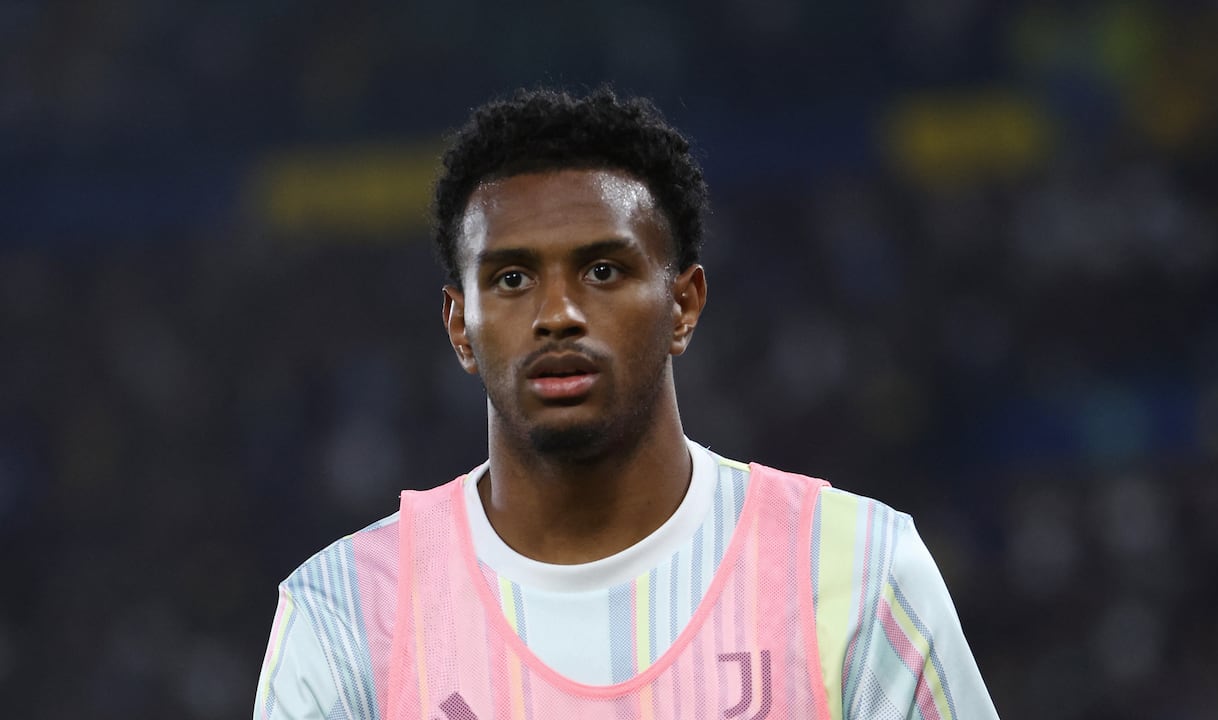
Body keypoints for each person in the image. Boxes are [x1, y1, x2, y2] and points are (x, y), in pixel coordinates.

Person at [254, 87, 1000, 720]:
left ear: (683, 304)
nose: (558, 314)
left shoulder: (858, 568)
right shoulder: (347, 613)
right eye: (512, 279)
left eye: (604, 270)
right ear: (460, 325)